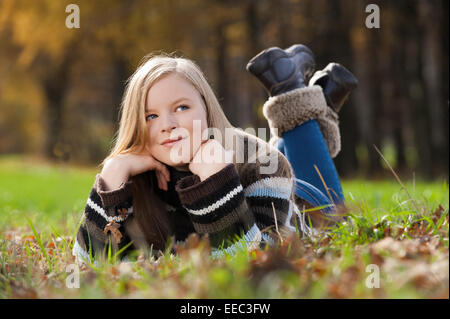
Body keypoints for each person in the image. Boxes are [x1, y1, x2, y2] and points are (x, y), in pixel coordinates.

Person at [72, 44, 357, 265]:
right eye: (150, 116)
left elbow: (258, 260)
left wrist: (216, 182)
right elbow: (87, 264)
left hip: (306, 206)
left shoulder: (260, 163)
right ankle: (324, 98)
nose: (168, 125)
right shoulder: (131, 178)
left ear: (207, 111)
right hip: (259, 169)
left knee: (333, 216)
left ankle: (291, 87)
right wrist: (110, 182)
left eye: (182, 107)